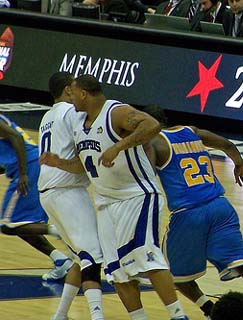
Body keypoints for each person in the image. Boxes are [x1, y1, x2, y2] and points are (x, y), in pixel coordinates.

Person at [39, 75, 188, 320]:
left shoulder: (115, 112)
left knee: (146, 257)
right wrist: (60, 163)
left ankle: (179, 316)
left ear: (84, 94)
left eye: (73, 93)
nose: (70, 98)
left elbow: (151, 125)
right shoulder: (78, 124)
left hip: (137, 196)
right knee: (116, 272)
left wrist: (119, 146)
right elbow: (83, 165)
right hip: (106, 204)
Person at [141, 105, 243, 320]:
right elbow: (226, 144)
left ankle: (209, 310)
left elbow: (146, 179)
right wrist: (239, 164)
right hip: (221, 206)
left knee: (173, 274)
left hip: (189, 213)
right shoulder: (191, 131)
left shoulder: (153, 142)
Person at [38, 72, 104, 320]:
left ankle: (61, 314)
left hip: (48, 192)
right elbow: (93, 128)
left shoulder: (47, 116)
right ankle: (97, 316)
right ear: (69, 90)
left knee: (80, 256)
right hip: (66, 191)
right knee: (93, 257)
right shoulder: (70, 111)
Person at [0, 113, 72, 282]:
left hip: (28, 167)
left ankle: (59, 230)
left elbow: (16, 136)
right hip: (30, 165)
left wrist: (24, 173)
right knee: (22, 224)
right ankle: (60, 260)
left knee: (8, 224)